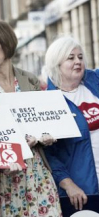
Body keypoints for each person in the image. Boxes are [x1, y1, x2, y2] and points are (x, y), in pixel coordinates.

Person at [43, 5, 99, 217]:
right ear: (57, 64)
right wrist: (68, 184)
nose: (78, 62)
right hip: (82, 191)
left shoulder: (96, 81)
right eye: (71, 58)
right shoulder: (49, 101)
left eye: (80, 57)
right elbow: (49, 154)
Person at [0, 21, 62, 216]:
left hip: (36, 172)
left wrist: (46, 137)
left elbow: (44, 123)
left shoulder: (30, 79)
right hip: (6, 179)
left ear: (6, 43)